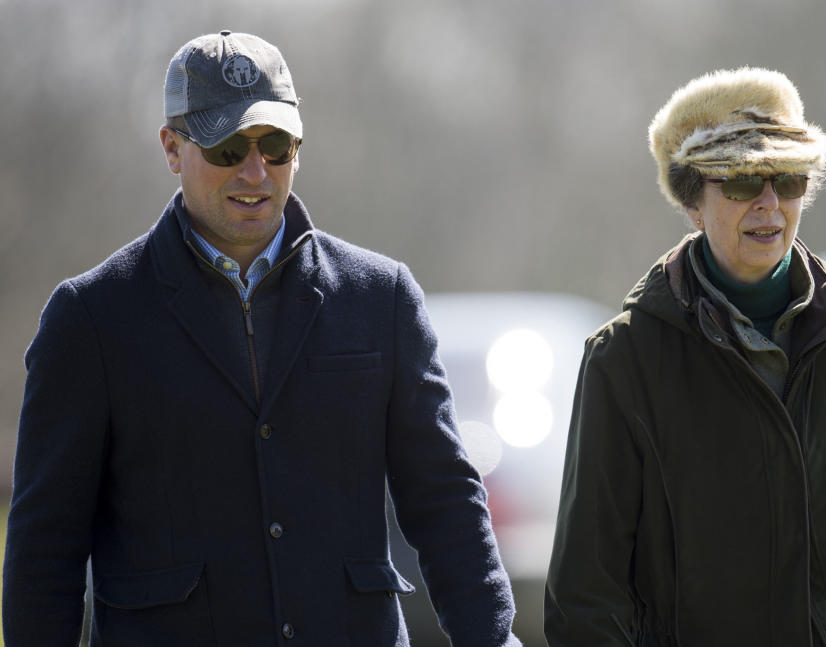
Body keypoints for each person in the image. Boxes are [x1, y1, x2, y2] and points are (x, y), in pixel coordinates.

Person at [3, 30, 521, 647]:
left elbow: (445, 503)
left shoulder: (381, 297)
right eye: (227, 147)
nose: (256, 171)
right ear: (172, 148)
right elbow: (44, 548)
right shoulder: (88, 318)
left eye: (275, 145)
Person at [544, 67, 826, 646]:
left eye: (788, 180)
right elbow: (587, 597)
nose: (769, 204)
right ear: (693, 202)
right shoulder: (625, 359)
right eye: (741, 182)